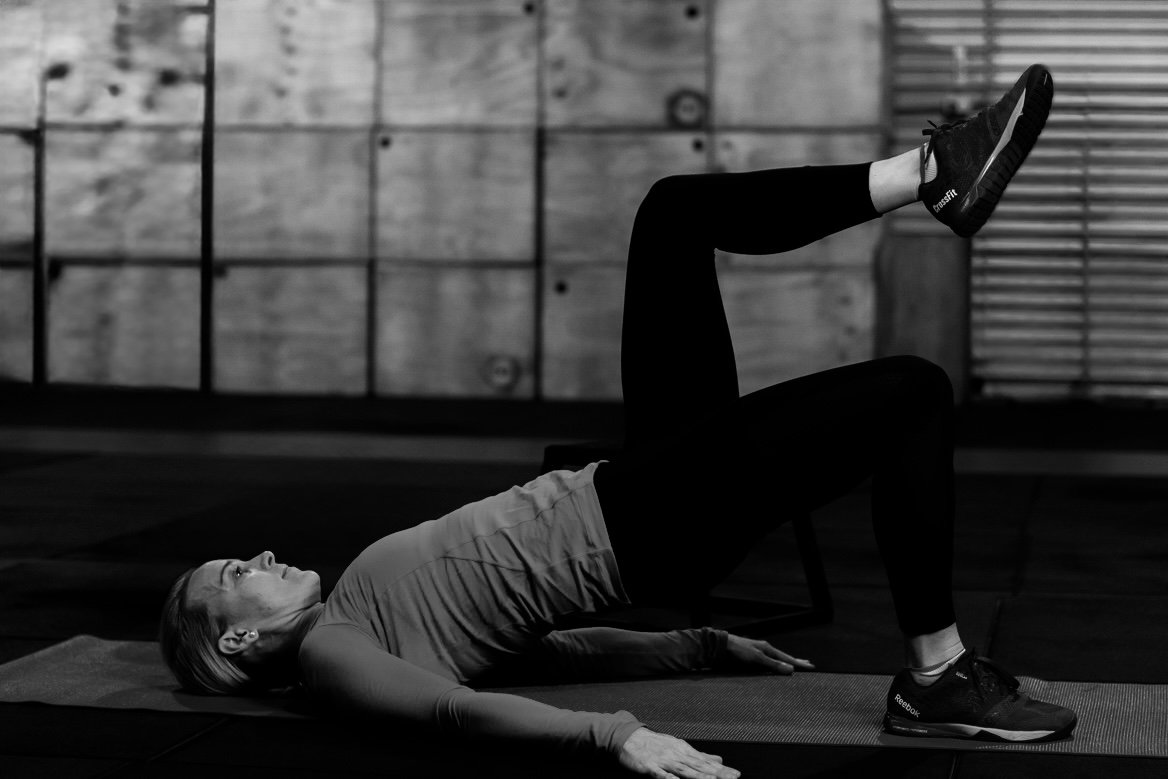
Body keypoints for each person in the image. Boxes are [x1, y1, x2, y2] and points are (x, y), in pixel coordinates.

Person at [159, 64, 1075, 779]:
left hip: (629, 490)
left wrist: (696, 645)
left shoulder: (356, 618)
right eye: (239, 572)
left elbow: (537, 652)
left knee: (674, 210)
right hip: (643, 520)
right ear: (237, 635)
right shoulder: (333, 659)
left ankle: (928, 174)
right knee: (912, 390)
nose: (263, 556)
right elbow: (453, 713)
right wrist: (617, 736)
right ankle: (935, 675)